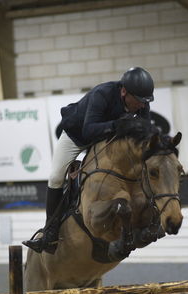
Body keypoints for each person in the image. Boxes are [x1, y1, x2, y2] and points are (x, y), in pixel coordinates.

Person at [23, 67, 154, 254]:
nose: (142, 106)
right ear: (124, 91)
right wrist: (117, 125)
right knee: (55, 177)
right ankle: (50, 234)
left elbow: (145, 134)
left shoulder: (142, 102)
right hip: (77, 137)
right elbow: (89, 130)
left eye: (145, 102)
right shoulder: (102, 94)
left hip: (105, 140)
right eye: (140, 101)